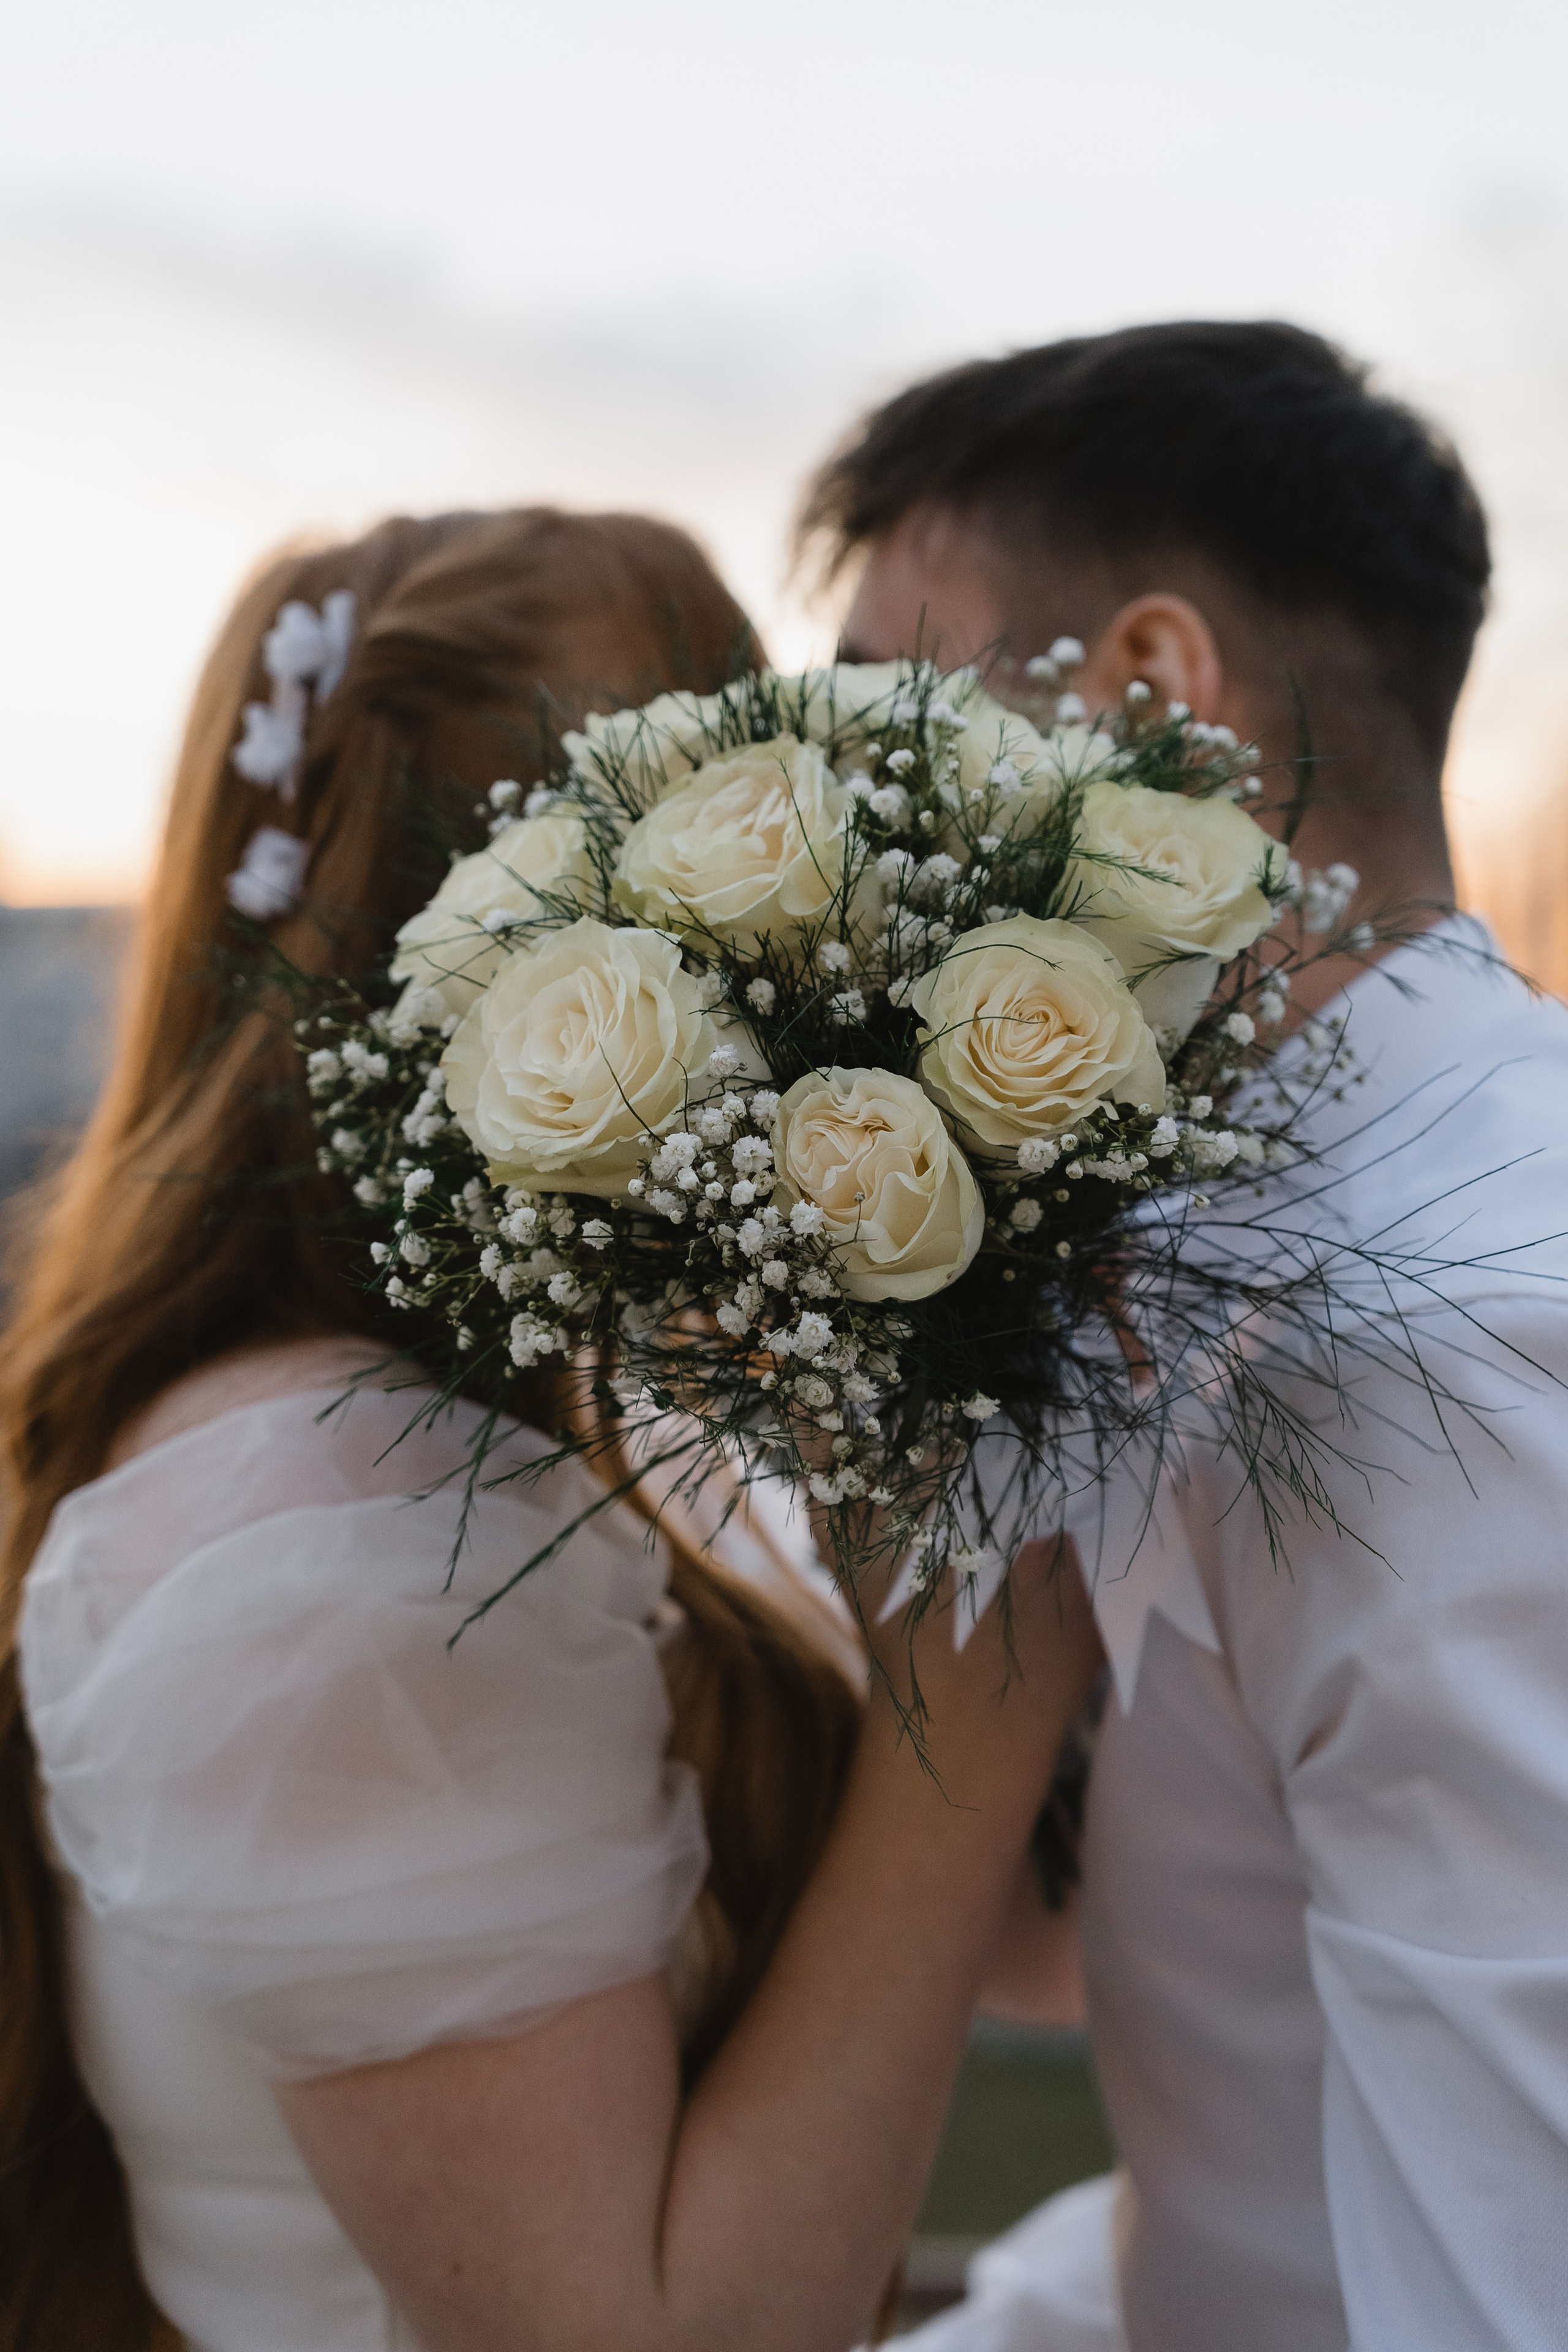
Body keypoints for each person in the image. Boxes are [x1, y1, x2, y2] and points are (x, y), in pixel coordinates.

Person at [0, 506, 1102, 2352]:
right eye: (777, 838)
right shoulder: (344, 1542)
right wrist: (971, 1717)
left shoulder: (527, 1430)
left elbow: (1013, 1961)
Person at [804, 322, 1568, 2348]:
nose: (837, 826)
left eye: (892, 709)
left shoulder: (1459, 1341)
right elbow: (1221, 2005)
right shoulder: (1251, 1230)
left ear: (1151, 688)